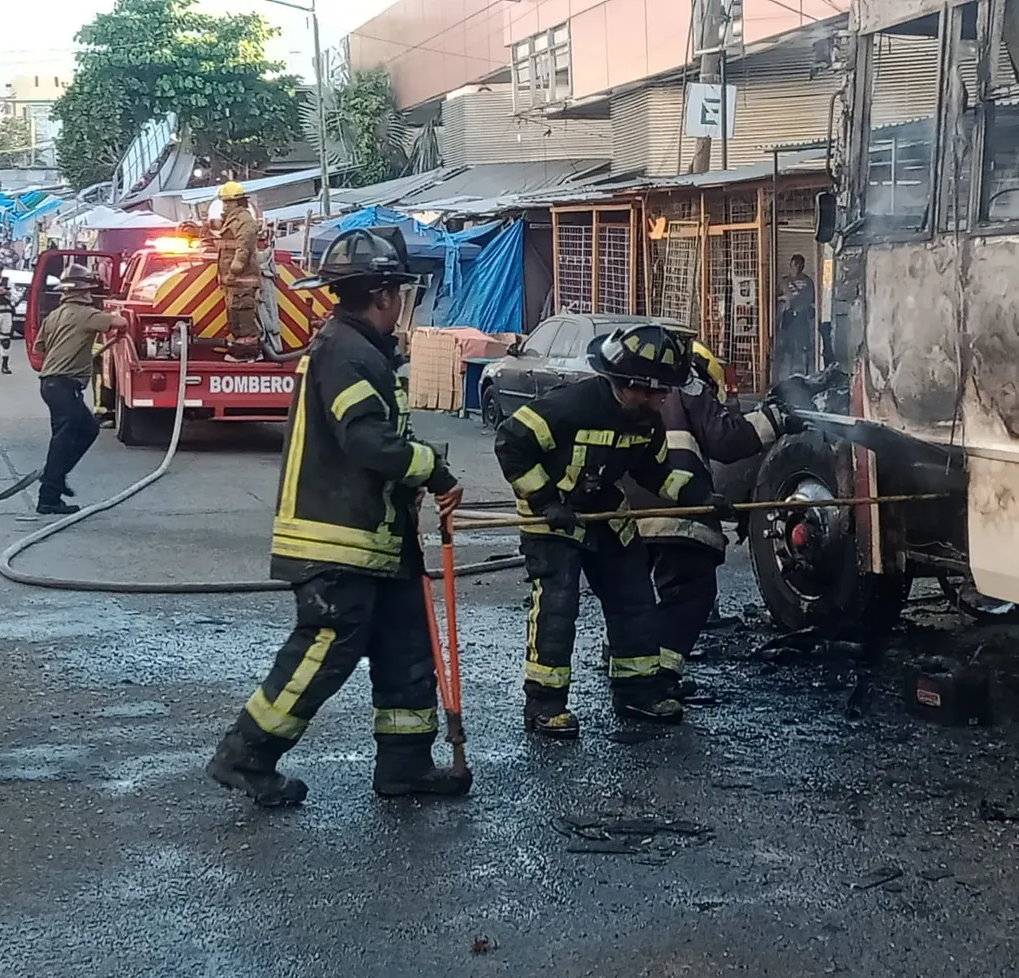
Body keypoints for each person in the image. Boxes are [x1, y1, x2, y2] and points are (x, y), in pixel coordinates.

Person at [206, 227, 470, 807]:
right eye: (399, 293)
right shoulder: (347, 354)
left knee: (406, 648)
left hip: (378, 542)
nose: (401, 304)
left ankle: (406, 764)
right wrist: (433, 469)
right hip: (338, 541)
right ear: (383, 295)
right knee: (327, 648)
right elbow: (368, 442)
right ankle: (246, 754)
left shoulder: (356, 349)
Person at [494, 322, 733, 739]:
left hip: (606, 516)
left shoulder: (647, 421)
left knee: (634, 601)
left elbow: (655, 473)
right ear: (633, 384)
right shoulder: (570, 406)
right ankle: (545, 705)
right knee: (557, 607)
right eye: (659, 390)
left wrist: (702, 496)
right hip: (554, 520)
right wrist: (547, 501)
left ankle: (637, 693)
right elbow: (510, 442)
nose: (664, 398)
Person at [621, 341, 802, 700]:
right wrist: (776, 419)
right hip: (676, 509)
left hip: (626, 512)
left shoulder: (633, 381)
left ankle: (626, 668)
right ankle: (660, 676)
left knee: (630, 596)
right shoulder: (689, 384)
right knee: (689, 593)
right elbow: (725, 439)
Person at [34, 264, 124, 516]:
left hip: (50, 384)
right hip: (64, 386)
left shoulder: (54, 315)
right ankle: (48, 496)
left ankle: (56, 476)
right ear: (85, 290)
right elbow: (120, 321)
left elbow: (40, 347)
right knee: (63, 441)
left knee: (87, 429)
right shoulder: (87, 314)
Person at [214, 181, 262, 362]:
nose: (225, 206)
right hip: (234, 281)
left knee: (244, 318)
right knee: (235, 315)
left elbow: (243, 250)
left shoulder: (245, 221)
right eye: (224, 202)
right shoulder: (233, 219)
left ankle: (249, 353)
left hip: (242, 279)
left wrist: (234, 271)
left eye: (229, 202)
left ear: (239, 202)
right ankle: (239, 349)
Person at [777, 254, 817, 377]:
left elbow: (812, 299)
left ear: (803, 266)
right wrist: (785, 299)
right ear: (791, 265)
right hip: (788, 316)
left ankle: (805, 374)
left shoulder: (808, 281)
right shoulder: (784, 281)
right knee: (788, 347)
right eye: (795, 264)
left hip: (802, 316)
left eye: (800, 264)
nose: (797, 267)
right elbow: (776, 297)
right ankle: (788, 375)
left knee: (804, 346)